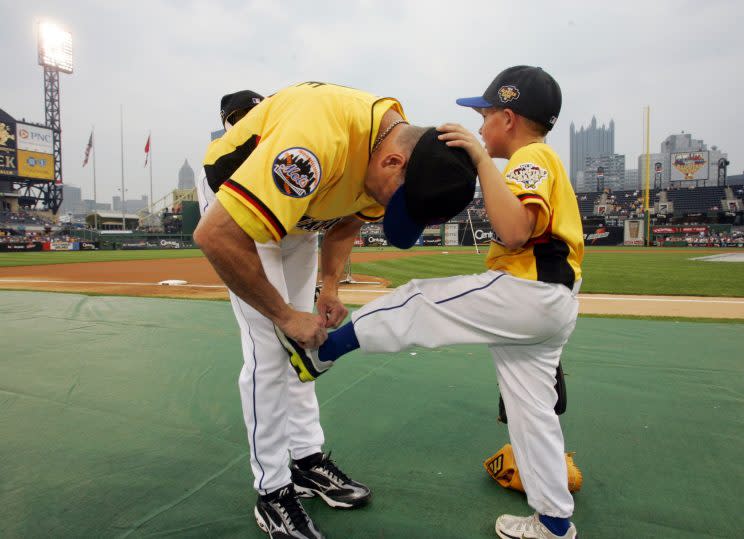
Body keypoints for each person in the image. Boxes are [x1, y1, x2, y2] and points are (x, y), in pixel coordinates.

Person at [277, 67, 584, 538]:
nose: (478, 125)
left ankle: (324, 351)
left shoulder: (532, 157)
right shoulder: (539, 160)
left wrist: (481, 160)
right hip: (553, 305)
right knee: (531, 413)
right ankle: (554, 522)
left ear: (508, 117)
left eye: (483, 115)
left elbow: (517, 230)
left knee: (418, 301)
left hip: (528, 293)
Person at [194, 82, 477, 538]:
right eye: (394, 200)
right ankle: (272, 491)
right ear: (391, 162)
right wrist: (286, 314)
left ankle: (306, 460)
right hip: (234, 208)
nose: (388, 208)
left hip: (302, 212)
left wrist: (329, 286)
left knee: (306, 345)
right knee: (269, 351)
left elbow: (346, 219)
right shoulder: (317, 142)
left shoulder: (390, 152)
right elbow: (214, 236)